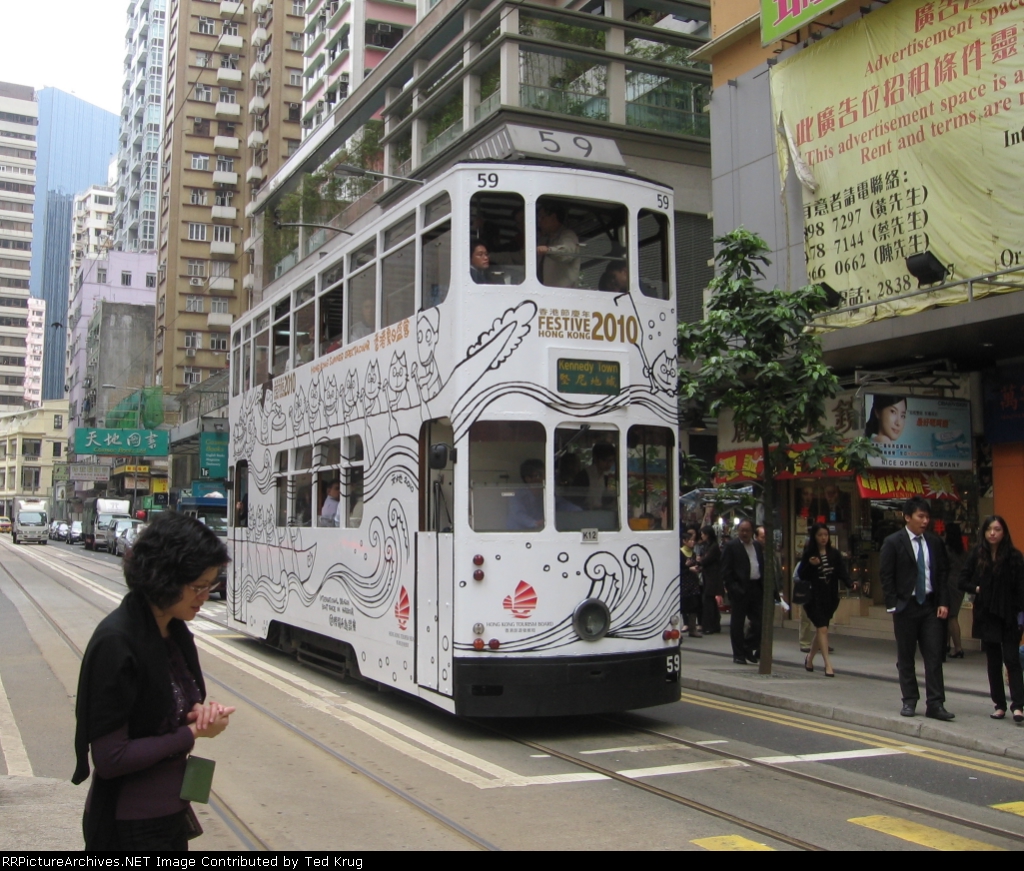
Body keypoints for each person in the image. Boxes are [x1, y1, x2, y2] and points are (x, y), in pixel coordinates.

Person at [72, 512, 234, 850]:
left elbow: (166, 709)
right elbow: (110, 757)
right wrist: (190, 733)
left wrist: (200, 713)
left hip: (170, 816)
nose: (206, 596)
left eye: (212, 585)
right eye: (198, 586)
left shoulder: (174, 632)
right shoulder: (117, 642)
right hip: (131, 828)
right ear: (165, 577)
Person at [879, 497, 953, 720]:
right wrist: (893, 604)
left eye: (927, 517)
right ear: (907, 516)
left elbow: (942, 573)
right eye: (921, 516)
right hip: (906, 606)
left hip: (930, 605)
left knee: (933, 655)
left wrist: (943, 601)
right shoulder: (893, 542)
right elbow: (886, 575)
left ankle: (936, 703)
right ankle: (909, 700)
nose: (925, 521)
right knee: (906, 656)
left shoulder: (934, 542)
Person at [958, 516, 1024, 722]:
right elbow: (962, 580)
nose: (993, 533)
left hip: (1010, 616)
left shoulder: (1014, 556)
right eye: (989, 529)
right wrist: (977, 589)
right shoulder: (977, 555)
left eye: (997, 529)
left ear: (1004, 532)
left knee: (1012, 660)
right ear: (984, 532)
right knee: (993, 662)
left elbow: (1021, 588)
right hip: (987, 615)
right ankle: (999, 705)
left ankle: (1018, 706)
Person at [798, 523, 857, 676]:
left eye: (825, 534)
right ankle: (827, 665)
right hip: (813, 597)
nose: (823, 538)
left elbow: (841, 572)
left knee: (821, 629)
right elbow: (802, 575)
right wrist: (811, 565)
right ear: (814, 537)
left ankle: (810, 658)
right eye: (820, 535)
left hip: (829, 596)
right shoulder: (809, 553)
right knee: (822, 628)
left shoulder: (834, 554)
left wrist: (850, 583)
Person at [720, 519, 763, 664]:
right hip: (740, 589)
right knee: (738, 623)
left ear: (752, 532)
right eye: (742, 530)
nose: (744, 533)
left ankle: (748, 647)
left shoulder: (757, 545)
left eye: (747, 530)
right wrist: (734, 588)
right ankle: (738, 654)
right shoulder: (731, 546)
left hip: (755, 587)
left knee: (759, 622)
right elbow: (726, 570)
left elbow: (760, 565)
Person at [508, 458, 580, 530]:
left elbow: (561, 504)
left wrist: (579, 512)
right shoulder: (518, 496)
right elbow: (518, 515)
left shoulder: (546, 492)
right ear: (528, 479)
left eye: (544, 475)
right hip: (519, 535)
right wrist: (535, 523)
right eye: (539, 475)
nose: (544, 478)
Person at [536, 202, 580, 288]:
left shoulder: (568, 235)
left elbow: (567, 252)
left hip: (562, 295)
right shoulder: (545, 239)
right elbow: (523, 256)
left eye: (542, 217)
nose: (539, 221)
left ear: (553, 217)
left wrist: (548, 251)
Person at [944, 522, 967, 659]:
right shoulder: (963, 552)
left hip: (950, 584)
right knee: (951, 616)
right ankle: (948, 645)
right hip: (960, 584)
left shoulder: (947, 550)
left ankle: (958, 647)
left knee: (951, 616)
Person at [697, 526, 723, 635]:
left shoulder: (714, 547)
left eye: (703, 534)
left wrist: (700, 560)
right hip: (709, 576)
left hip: (713, 577)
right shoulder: (708, 546)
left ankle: (709, 625)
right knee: (710, 601)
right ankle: (713, 624)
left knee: (708, 600)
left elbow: (706, 560)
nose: (701, 536)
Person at [680, 528, 702, 638]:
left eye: (693, 540)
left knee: (694, 605)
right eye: (690, 540)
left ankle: (692, 628)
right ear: (684, 541)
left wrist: (698, 565)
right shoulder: (680, 553)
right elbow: (678, 569)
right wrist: (687, 568)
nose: (692, 542)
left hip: (693, 582)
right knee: (684, 605)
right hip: (684, 582)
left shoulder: (693, 553)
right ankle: (685, 623)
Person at [583, 442, 616, 510]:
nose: (608, 464)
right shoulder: (584, 476)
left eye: (611, 461)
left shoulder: (604, 477)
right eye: (604, 460)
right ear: (596, 458)